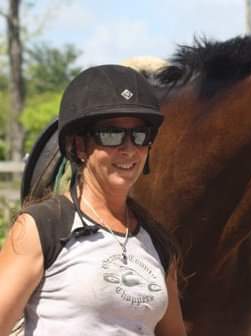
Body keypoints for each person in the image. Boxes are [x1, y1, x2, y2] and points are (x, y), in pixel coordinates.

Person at [0, 65, 187, 335]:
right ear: (79, 146)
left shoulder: (157, 242)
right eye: (111, 134)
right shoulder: (43, 227)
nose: (128, 149)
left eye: (140, 135)